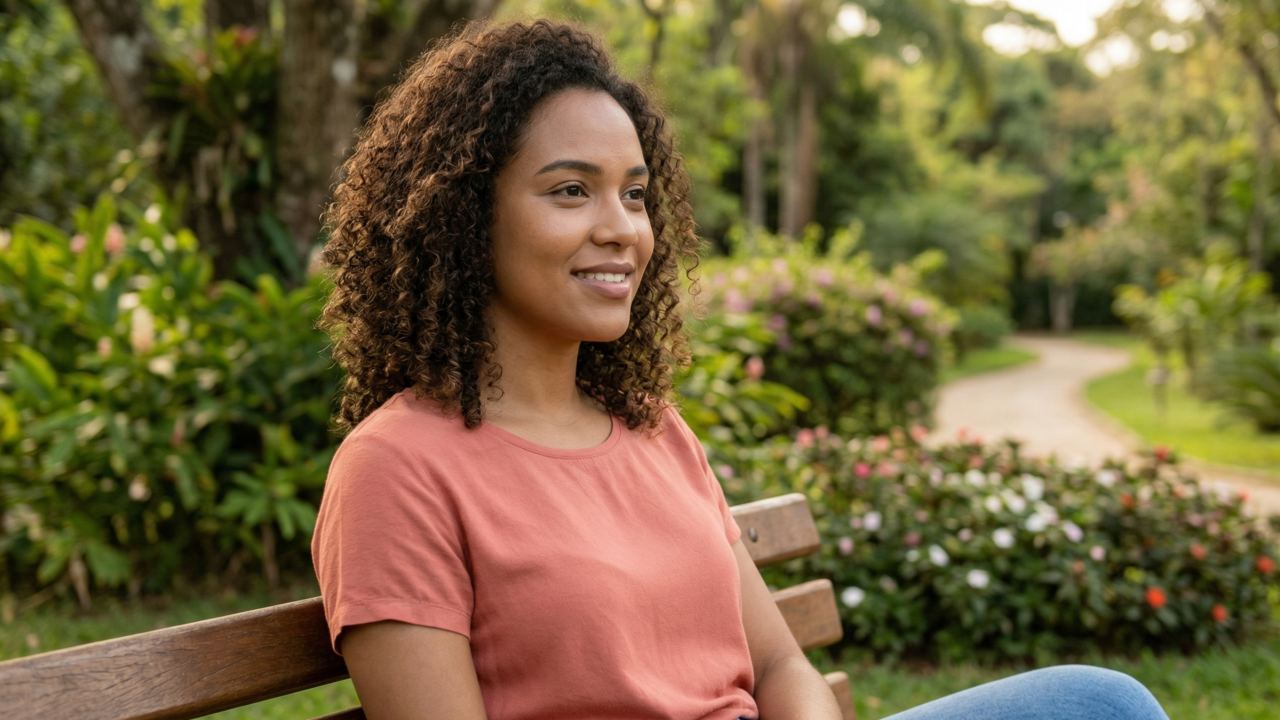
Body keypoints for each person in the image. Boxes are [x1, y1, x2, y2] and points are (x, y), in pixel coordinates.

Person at [311, 19, 1171, 720]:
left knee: (1102, 703)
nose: (622, 229)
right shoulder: (398, 470)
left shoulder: (650, 428)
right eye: (571, 191)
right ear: (464, 217)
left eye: (636, 193)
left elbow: (780, 666)